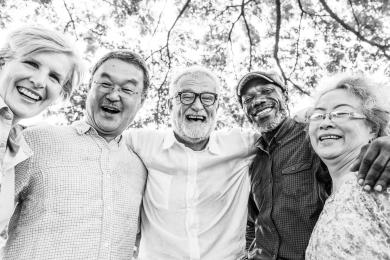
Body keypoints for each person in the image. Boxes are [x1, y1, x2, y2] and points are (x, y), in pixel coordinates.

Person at [3, 50, 149, 259]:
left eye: (127, 89)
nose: (113, 95)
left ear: (141, 101)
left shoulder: (142, 170)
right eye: (105, 84)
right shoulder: (37, 140)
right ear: (89, 88)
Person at [236, 70, 390, 260]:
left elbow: (361, 140)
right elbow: (253, 221)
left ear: (285, 96)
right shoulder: (252, 161)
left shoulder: (314, 138)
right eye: (248, 99)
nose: (257, 101)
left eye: (267, 91)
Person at [127, 66, 258, 260]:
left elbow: (284, 132)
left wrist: (309, 115)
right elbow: (101, 137)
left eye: (207, 98)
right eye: (186, 96)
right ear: (169, 104)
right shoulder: (140, 143)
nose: (197, 106)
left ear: (217, 106)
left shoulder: (242, 146)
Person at [0, 26, 83, 248]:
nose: (39, 81)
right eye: (31, 63)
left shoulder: (15, 146)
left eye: (54, 77)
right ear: (3, 62)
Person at [305, 73, 390, 259]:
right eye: (318, 115)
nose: (326, 123)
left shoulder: (381, 182)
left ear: (373, 128)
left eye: (341, 113)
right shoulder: (330, 201)